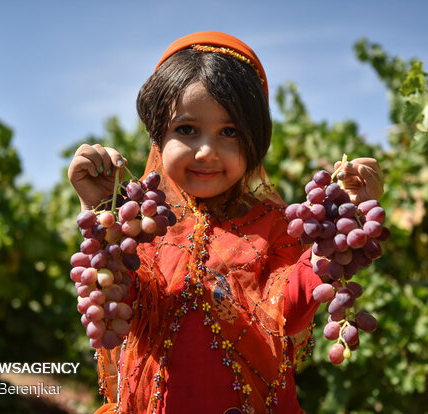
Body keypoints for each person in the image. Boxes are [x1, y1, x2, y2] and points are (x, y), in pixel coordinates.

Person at [68, 31, 383, 414]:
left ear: (254, 142)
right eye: (186, 129)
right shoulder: (143, 223)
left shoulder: (274, 226)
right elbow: (121, 303)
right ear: (157, 137)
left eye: (229, 132)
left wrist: (337, 231)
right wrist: (101, 210)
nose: (206, 150)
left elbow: (290, 309)